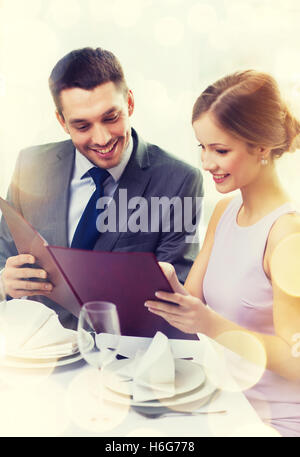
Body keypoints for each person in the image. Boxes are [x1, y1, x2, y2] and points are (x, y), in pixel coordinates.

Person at [0, 47, 203, 329]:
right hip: (36, 352)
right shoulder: (30, 164)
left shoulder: (179, 180)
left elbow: (176, 292)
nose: (102, 138)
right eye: (82, 126)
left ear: (129, 103)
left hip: (125, 358)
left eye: (111, 118)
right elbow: (3, 256)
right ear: (62, 122)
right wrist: (4, 282)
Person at [145, 70, 300, 437]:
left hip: (273, 421)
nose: (205, 162)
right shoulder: (224, 211)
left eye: (220, 150)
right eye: (202, 146)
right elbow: (192, 302)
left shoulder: (286, 235)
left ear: (261, 147)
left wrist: (211, 324)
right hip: (223, 404)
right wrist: (162, 283)